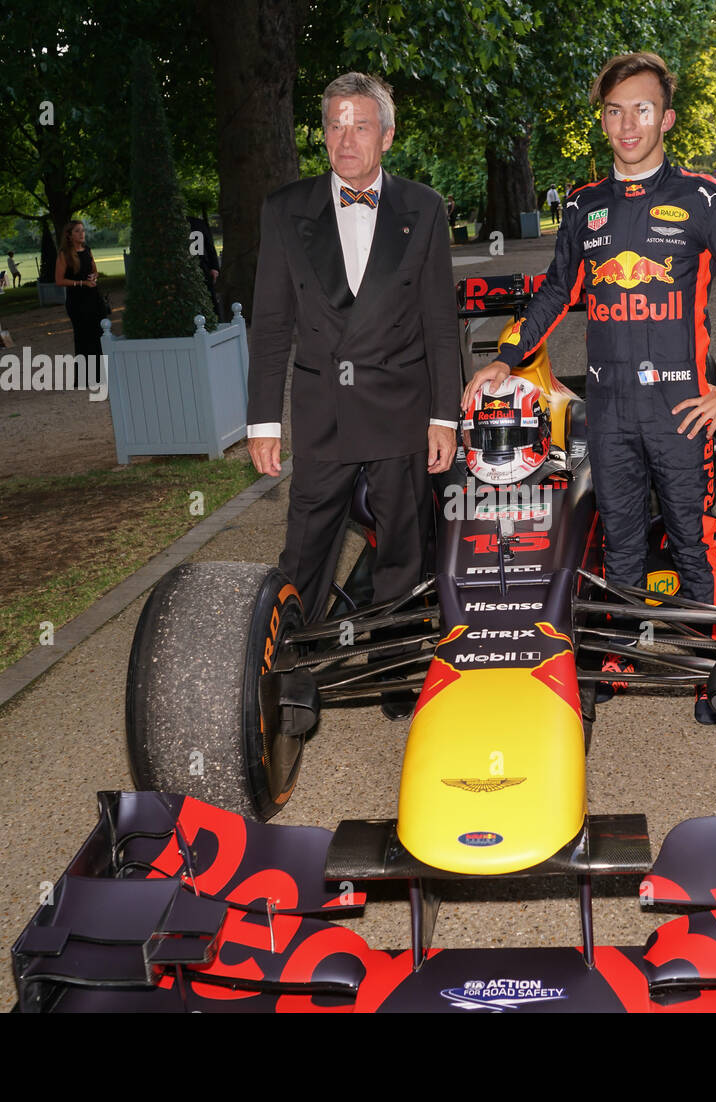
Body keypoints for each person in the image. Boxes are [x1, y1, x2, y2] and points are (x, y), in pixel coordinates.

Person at [462, 51, 716, 724]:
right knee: (620, 538)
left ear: (665, 118)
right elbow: (556, 291)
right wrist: (509, 358)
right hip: (608, 411)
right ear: (603, 121)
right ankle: (615, 659)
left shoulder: (707, 198)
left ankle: (709, 670)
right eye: (614, 111)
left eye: (641, 109)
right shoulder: (583, 205)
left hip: (681, 409)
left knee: (693, 539)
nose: (627, 123)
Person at [246, 71, 460, 720]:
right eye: (335, 123)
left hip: (401, 407)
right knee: (306, 551)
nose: (346, 137)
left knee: (401, 552)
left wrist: (443, 415)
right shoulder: (286, 210)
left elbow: (437, 322)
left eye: (360, 124)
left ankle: (396, 672)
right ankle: (296, 679)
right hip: (324, 414)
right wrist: (262, 419)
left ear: (387, 136)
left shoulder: (423, 208)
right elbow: (273, 321)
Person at [54, 220, 104, 378]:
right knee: (83, 336)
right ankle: (85, 376)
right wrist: (81, 283)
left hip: (93, 298)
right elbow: (59, 281)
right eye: (77, 231)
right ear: (69, 235)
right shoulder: (64, 255)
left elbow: (95, 270)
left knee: (98, 334)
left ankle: (101, 373)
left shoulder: (87, 250)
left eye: (82, 230)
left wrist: (94, 276)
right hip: (77, 302)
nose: (82, 233)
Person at [187, 211, 221, 319]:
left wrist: (214, 267)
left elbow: (210, 246)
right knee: (210, 297)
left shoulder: (174, 224)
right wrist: (214, 267)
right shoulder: (199, 223)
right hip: (203, 266)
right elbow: (210, 246)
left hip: (199, 266)